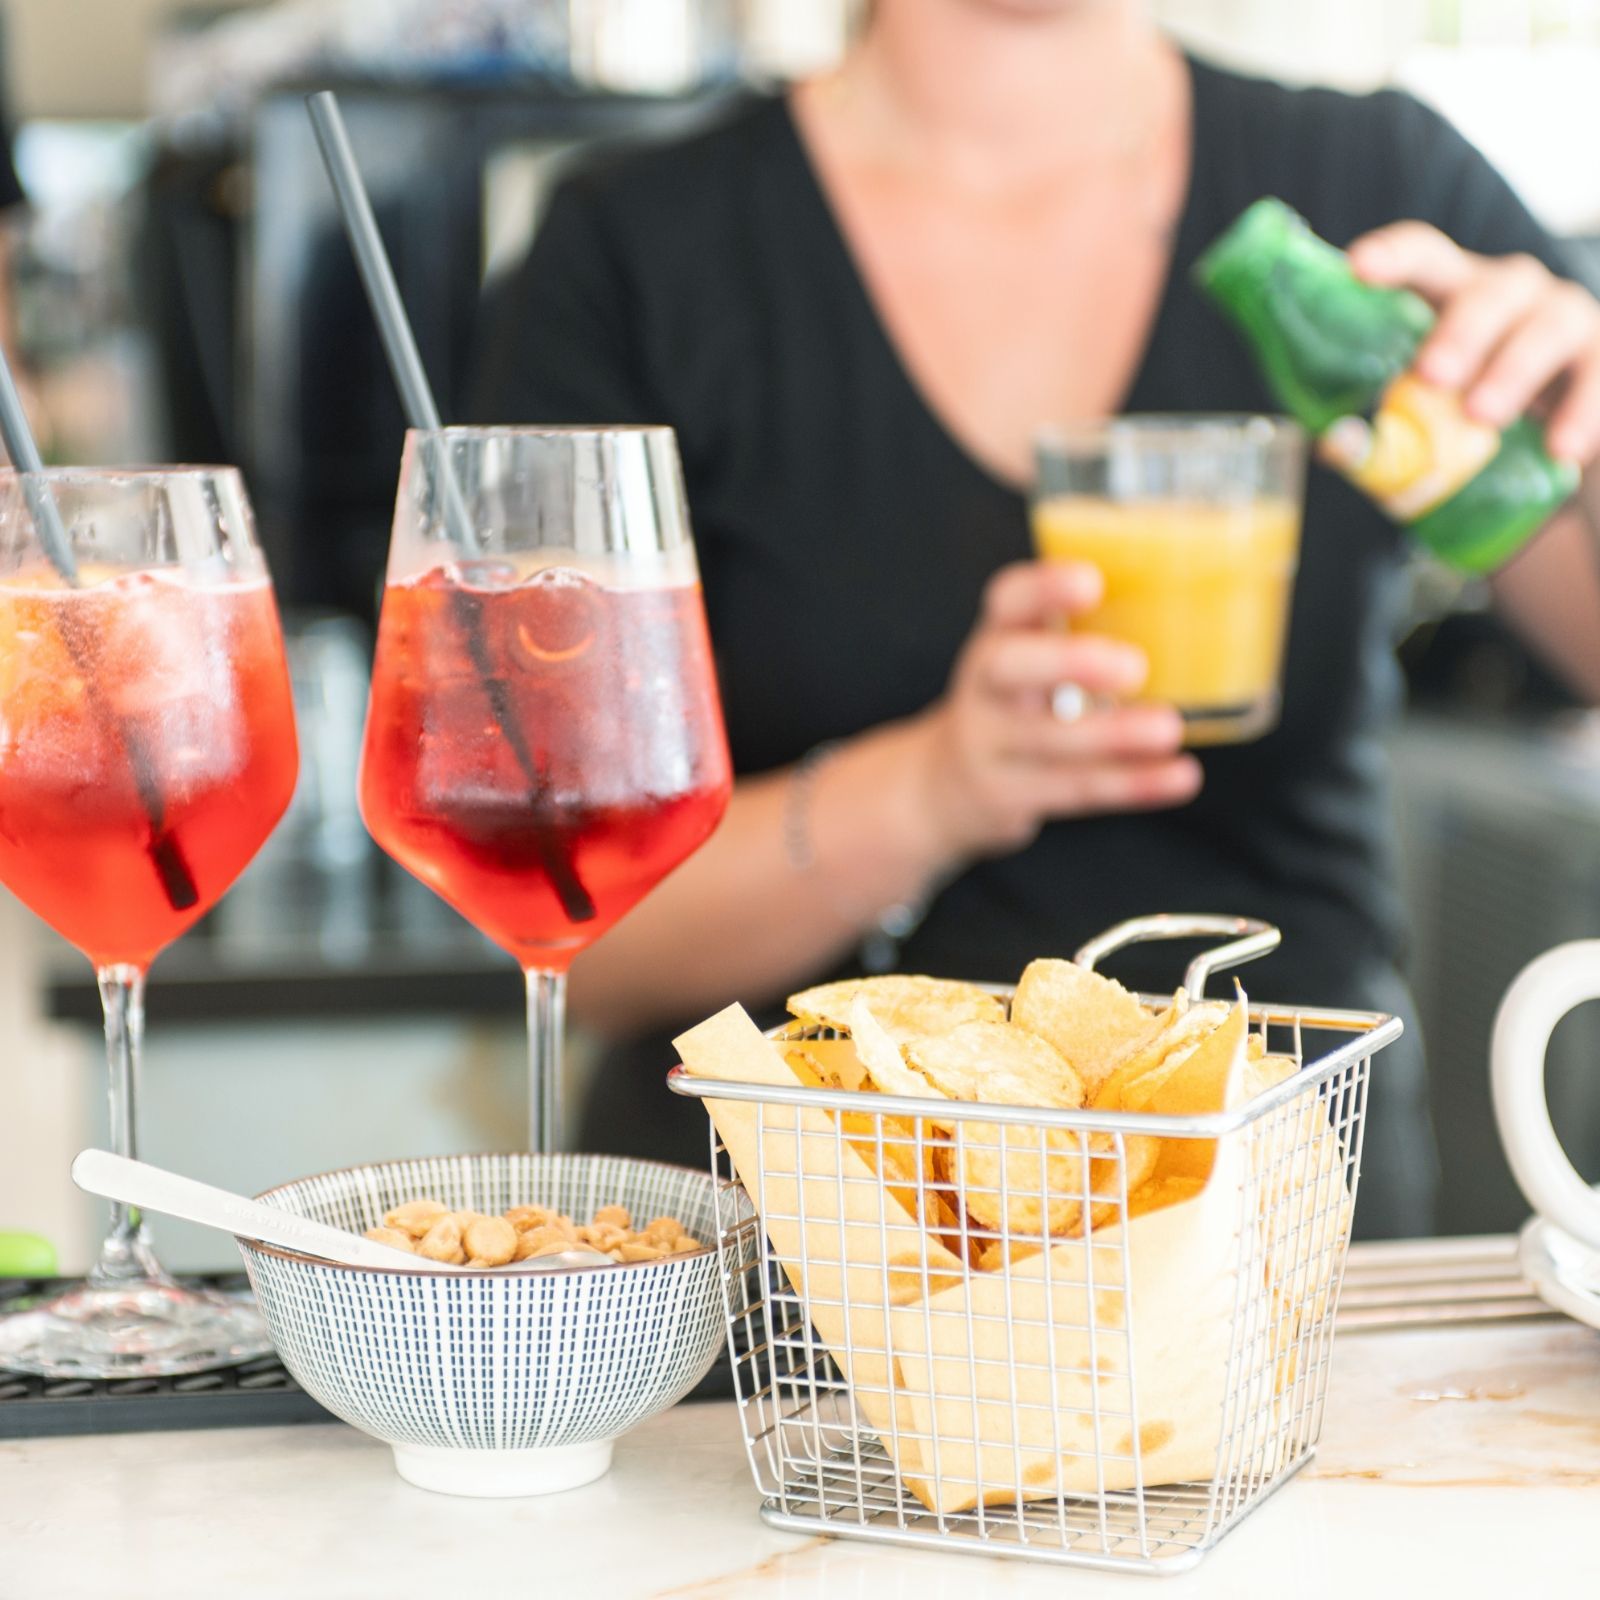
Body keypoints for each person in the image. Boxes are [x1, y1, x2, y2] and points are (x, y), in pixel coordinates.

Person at [470, 0, 1600, 1238]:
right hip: (794, 1260)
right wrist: (931, 789)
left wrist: (1587, 443)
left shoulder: (1375, 183)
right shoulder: (636, 247)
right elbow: (574, 939)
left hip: (1270, 1241)